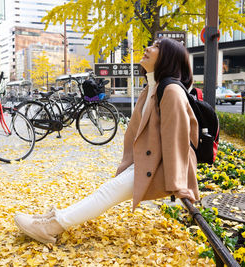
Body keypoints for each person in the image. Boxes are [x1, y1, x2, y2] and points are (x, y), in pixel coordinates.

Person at [14, 37, 199, 244]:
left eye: (157, 47)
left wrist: (179, 184)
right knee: (106, 190)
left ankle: (50, 227)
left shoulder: (171, 91)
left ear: (168, 58)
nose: (148, 48)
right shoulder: (153, 86)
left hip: (164, 168)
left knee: (107, 192)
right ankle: (50, 219)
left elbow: (177, 141)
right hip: (151, 160)